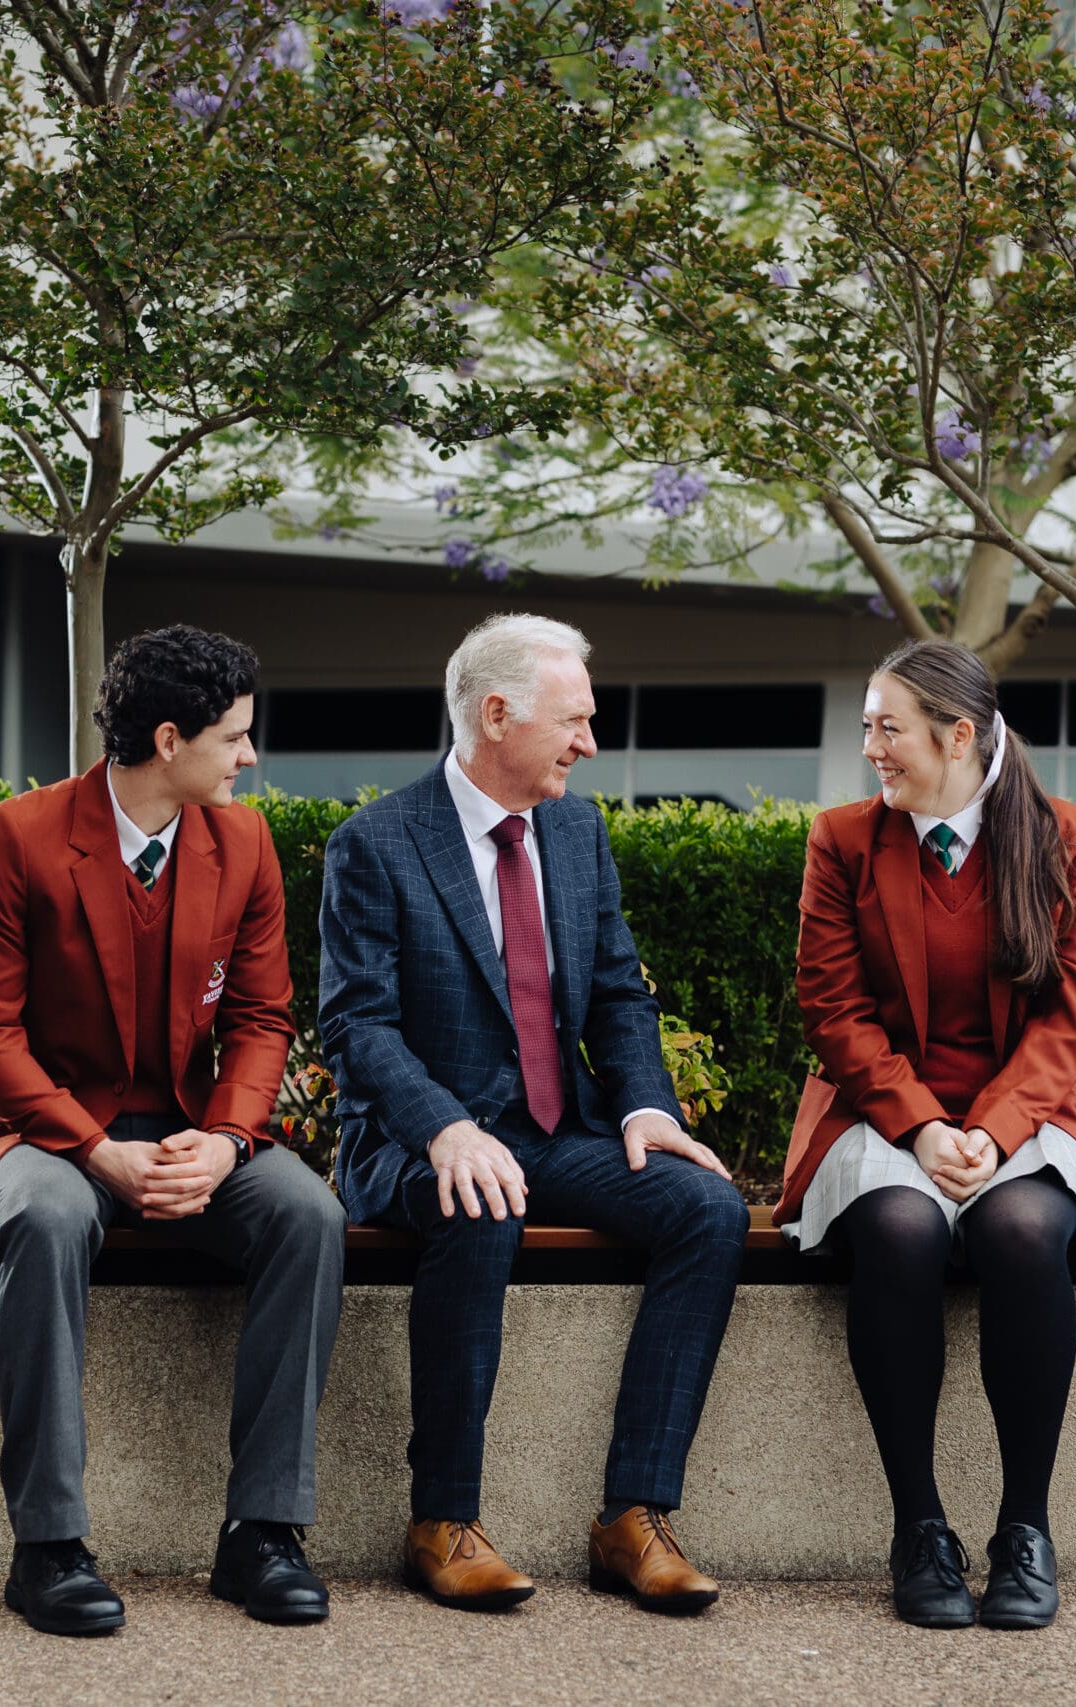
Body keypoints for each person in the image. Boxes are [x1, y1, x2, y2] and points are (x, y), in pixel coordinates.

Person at [318, 613, 749, 1615]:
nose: (588, 744)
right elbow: (358, 1027)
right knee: (479, 1203)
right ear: (497, 714)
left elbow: (614, 994)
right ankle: (442, 1521)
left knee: (709, 1211)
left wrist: (644, 1107)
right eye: (575, 721)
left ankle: (633, 1518)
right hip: (417, 1143)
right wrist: (446, 1127)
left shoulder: (574, 829)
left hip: (561, 1132)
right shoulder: (375, 843)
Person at [0, 624, 347, 1636]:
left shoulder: (243, 842)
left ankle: (263, 1532)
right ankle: (48, 1548)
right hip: (40, 1133)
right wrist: (93, 1150)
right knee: (41, 1222)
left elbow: (260, 1019)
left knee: (307, 1215)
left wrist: (224, 1140)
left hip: (184, 1128)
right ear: (170, 739)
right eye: (235, 738)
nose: (249, 758)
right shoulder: (19, 835)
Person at [782, 638, 1076, 1631]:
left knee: (1021, 1234)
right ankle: (920, 1530)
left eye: (886, 726)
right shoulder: (842, 842)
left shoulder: (1065, 836)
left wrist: (991, 1133)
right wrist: (918, 1129)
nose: (870, 745)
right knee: (903, 1231)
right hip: (881, 1116)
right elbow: (832, 1008)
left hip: (1028, 1116)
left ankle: (1024, 1532)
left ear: (957, 737)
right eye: (866, 724)